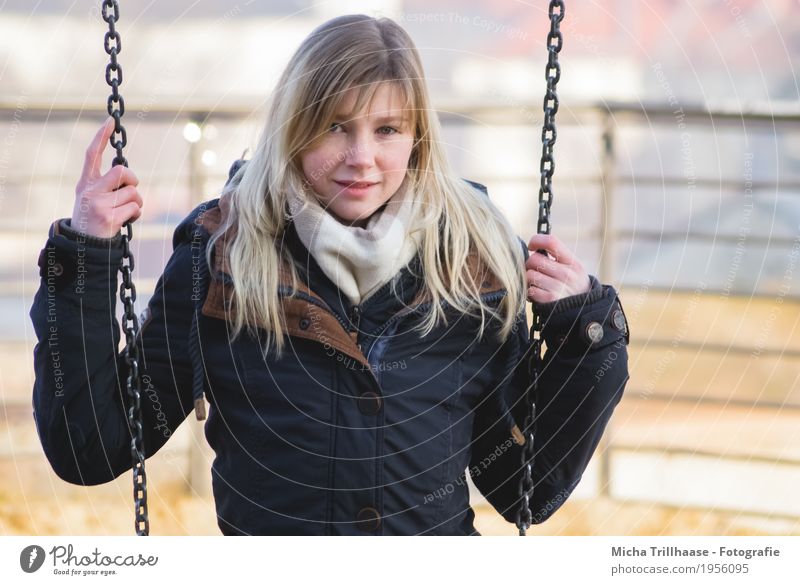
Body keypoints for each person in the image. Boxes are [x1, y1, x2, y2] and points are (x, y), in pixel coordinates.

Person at [30, 14, 629, 536]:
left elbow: (523, 489)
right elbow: (92, 450)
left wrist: (585, 336)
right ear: (293, 129)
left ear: (417, 138)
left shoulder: (472, 263)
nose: (361, 157)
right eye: (335, 126)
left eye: (387, 129)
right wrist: (85, 257)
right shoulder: (221, 257)